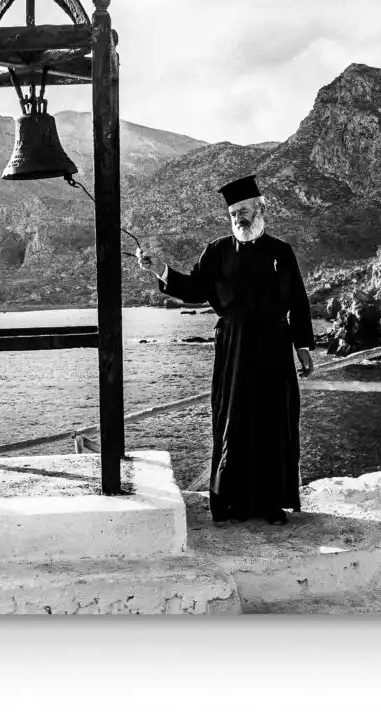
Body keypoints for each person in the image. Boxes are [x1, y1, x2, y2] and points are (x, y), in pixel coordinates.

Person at [135, 175, 314, 525]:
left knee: (273, 421)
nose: (239, 219)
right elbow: (192, 289)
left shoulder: (281, 252)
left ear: (260, 209)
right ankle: (230, 503)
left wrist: (303, 347)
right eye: (233, 214)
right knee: (234, 421)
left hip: (275, 347)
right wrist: (160, 269)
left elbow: (300, 302)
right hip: (232, 347)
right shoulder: (216, 251)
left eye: (244, 211)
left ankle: (270, 503)